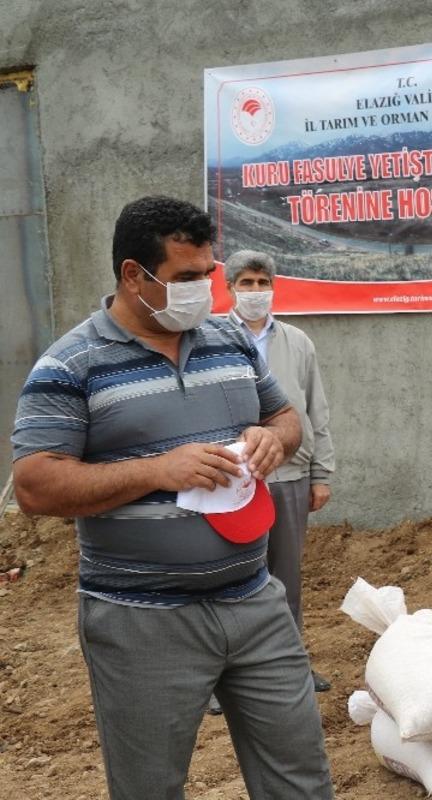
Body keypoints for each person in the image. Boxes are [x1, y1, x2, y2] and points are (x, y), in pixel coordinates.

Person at [10, 196, 334, 799]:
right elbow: (34, 485)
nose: (203, 291)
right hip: (143, 620)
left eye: (207, 275)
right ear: (135, 275)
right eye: (186, 278)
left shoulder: (230, 342)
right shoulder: (71, 365)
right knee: (150, 789)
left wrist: (273, 438)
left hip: (256, 603)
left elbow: (287, 417)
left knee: (302, 781)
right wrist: (158, 469)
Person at [224, 249, 336, 695]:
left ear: (273, 287)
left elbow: (316, 410)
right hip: (233, 479)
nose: (254, 292)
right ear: (229, 287)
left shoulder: (297, 342)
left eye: (261, 283)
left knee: (285, 578)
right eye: (245, 283)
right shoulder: (210, 338)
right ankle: (228, 679)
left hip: (290, 477)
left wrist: (322, 473)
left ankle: (292, 668)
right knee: (233, 578)